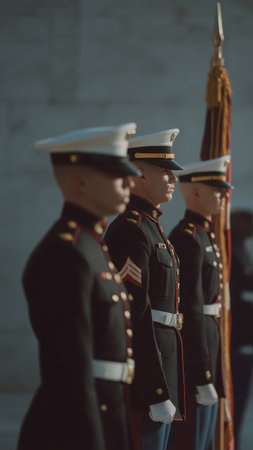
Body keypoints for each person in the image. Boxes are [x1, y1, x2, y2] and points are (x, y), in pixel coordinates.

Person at [17, 124, 139, 450]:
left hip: (107, 412)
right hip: (77, 427)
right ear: (80, 183)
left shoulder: (90, 244)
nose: (130, 182)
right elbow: (70, 372)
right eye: (118, 175)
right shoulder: (65, 253)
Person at [104, 129, 185, 450]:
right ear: (139, 175)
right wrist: (155, 389)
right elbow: (135, 312)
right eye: (165, 172)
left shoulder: (151, 228)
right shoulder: (132, 230)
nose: (173, 179)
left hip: (163, 370)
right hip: (147, 384)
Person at [168, 156, 233, 450]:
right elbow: (190, 309)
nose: (223, 195)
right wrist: (202, 372)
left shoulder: (205, 235)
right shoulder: (187, 238)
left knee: (205, 440)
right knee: (191, 441)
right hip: (198, 354)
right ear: (194, 192)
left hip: (211, 338)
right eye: (216, 189)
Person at [230, 208, 253, 450]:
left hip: (248, 335)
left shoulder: (242, 249)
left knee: (241, 399)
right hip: (238, 338)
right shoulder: (231, 250)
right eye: (249, 221)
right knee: (235, 400)